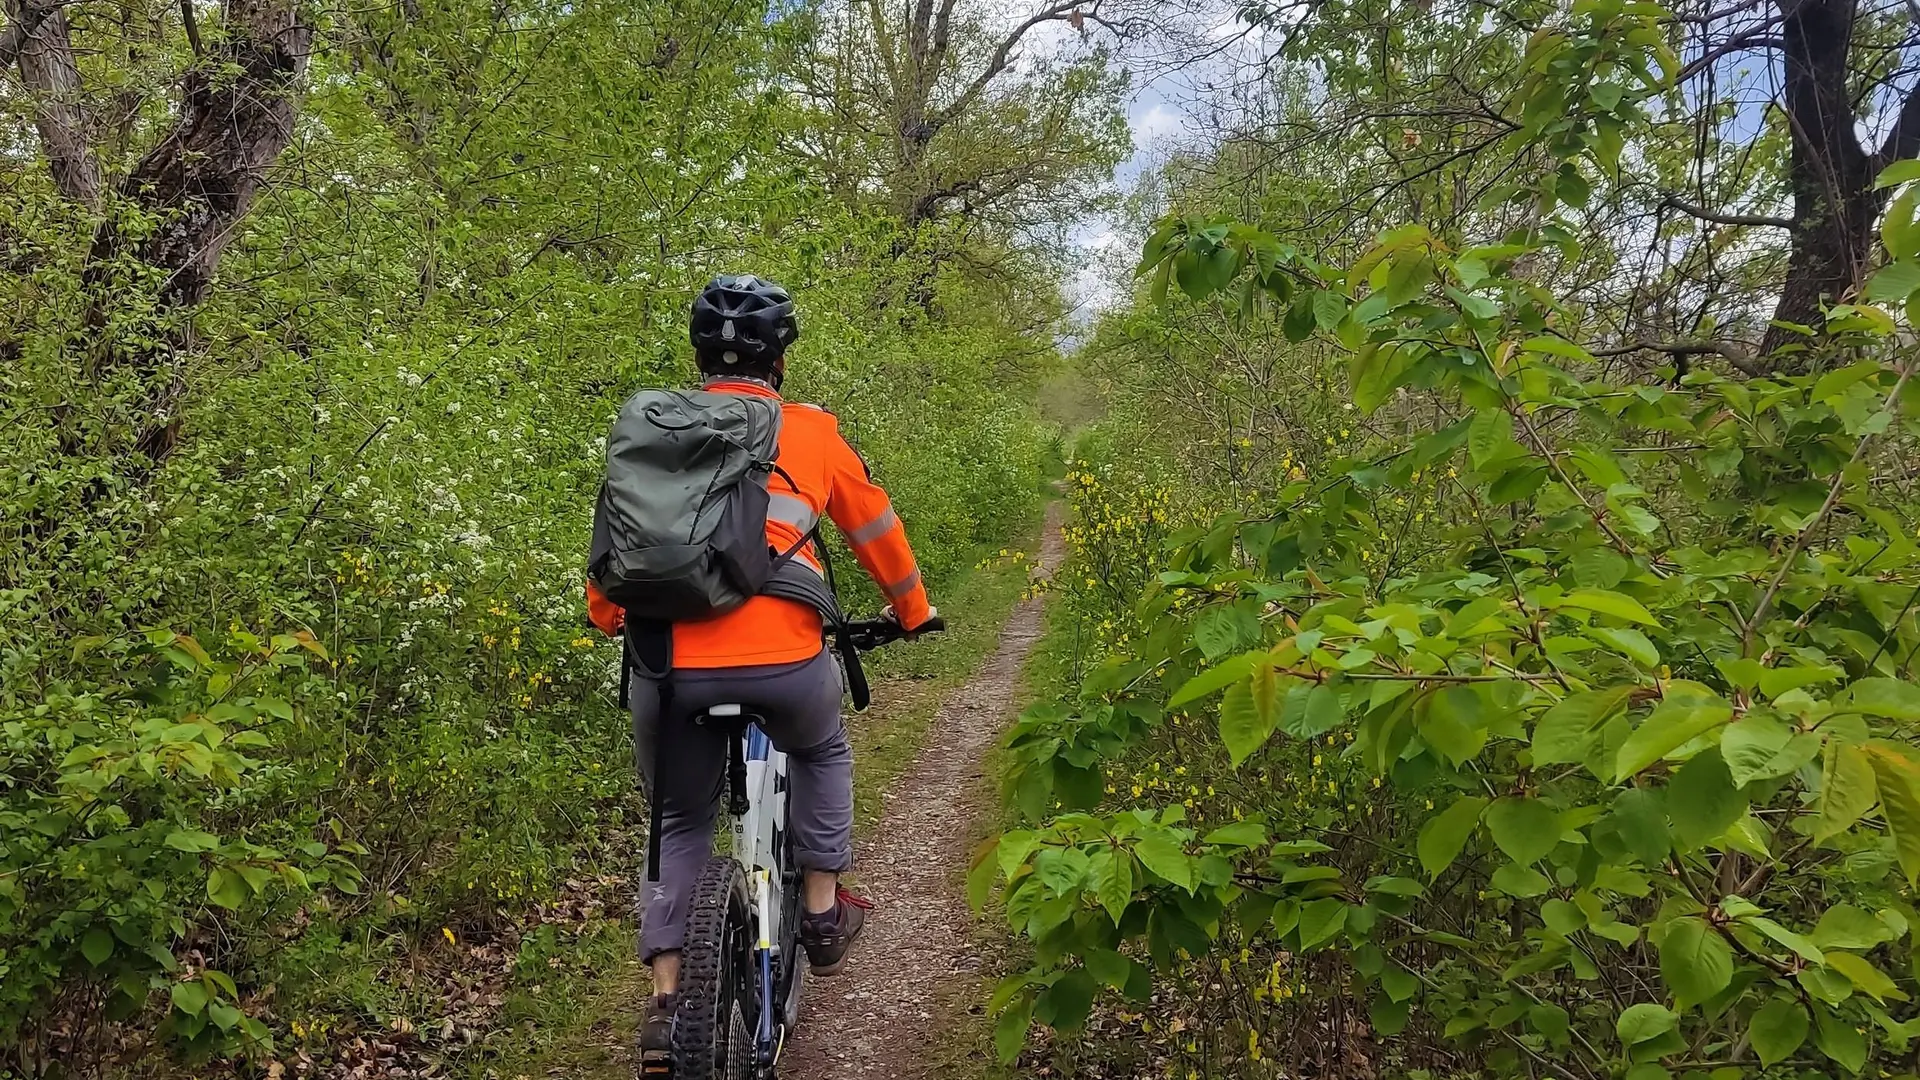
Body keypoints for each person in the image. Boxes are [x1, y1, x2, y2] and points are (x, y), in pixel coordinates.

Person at [584, 274, 937, 1056]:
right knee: (821, 748)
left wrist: (610, 617)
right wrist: (912, 611)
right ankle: (822, 909)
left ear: (698, 358)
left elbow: (617, 547)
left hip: (668, 667)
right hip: (783, 661)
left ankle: (666, 1005)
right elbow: (875, 528)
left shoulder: (651, 433)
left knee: (678, 819)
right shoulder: (810, 432)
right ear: (779, 359)